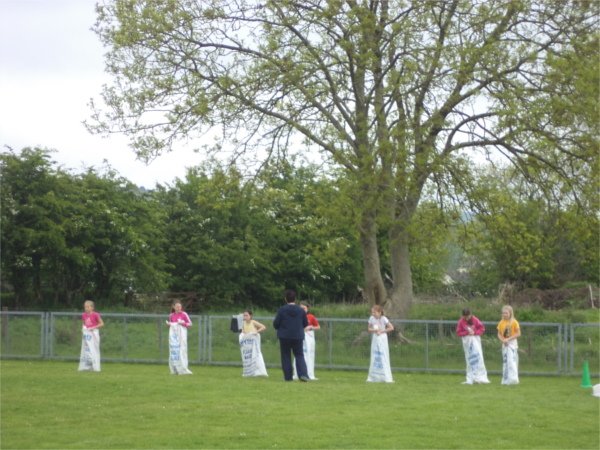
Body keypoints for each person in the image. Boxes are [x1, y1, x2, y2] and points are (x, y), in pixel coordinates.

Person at [273, 289, 310, 382]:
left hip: (284, 336)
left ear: (286, 299)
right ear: (295, 299)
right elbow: (305, 324)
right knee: (299, 355)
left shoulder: (282, 310)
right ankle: (303, 374)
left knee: (286, 356)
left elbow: (276, 324)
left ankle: (288, 377)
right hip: (298, 336)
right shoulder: (301, 310)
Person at [456, 308, 490, 384]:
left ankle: (480, 377)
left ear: (470, 314)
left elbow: (482, 328)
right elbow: (459, 332)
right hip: (467, 343)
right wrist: (466, 333)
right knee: (470, 359)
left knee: (478, 358)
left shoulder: (475, 320)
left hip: (475, 341)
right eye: (465, 317)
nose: (467, 318)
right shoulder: (461, 322)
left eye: (468, 316)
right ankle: (471, 377)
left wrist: (474, 332)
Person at [367, 304, 394, 383]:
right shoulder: (371, 318)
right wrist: (374, 330)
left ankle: (385, 376)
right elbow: (369, 328)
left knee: (383, 355)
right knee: (375, 355)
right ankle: (374, 376)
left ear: (379, 312)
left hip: (382, 338)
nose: (373, 314)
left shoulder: (384, 319)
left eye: (374, 312)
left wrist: (382, 331)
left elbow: (391, 327)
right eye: (372, 312)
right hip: (375, 337)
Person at [293, 302, 320, 380]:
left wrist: (311, 327)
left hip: (309, 339)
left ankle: (309, 373)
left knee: (309, 356)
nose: (302, 310)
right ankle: (297, 373)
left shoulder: (311, 317)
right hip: (299, 337)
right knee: (299, 355)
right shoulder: (296, 316)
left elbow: (318, 326)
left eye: (304, 308)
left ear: (307, 308)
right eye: (301, 308)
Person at [166, 301, 193, 375]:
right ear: (174, 307)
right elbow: (170, 325)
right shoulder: (171, 315)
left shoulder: (184, 314)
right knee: (174, 351)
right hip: (174, 337)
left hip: (182, 336)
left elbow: (190, 324)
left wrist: (183, 323)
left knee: (182, 351)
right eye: (177, 307)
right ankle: (174, 369)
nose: (178, 308)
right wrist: (169, 325)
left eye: (179, 307)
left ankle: (183, 368)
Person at [239, 310, 268, 377]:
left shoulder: (253, 322)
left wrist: (256, 332)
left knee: (256, 356)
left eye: (246, 315)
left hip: (254, 343)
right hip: (247, 344)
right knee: (248, 357)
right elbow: (243, 331)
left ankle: (260, 371)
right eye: (244, 315)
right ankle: (249, 371)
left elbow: (263, 327)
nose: (245, 317)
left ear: (250, 316)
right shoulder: (243, 323)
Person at [497, 305, 521, 385]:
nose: (504, 315)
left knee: (512, 361)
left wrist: (509, 339)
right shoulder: (501, 322)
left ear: (510, 313)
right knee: (505, 361)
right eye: (503, 313)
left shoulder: (514, 322)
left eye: (506, 313)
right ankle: (506, 379)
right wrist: (503, 340)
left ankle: (513, 379)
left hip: (512, 344)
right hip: (505, 344)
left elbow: (518, 333)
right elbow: (499, 334)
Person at [78, 300, 104, 372]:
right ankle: (87, 366)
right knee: (86, 350)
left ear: (92, 307)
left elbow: (102, 324)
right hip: (87, 334)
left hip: (94, 333)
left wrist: (93, 327)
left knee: (94, 350)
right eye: (85, 307)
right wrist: (83, 329)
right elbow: (84, 324)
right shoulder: (84, 315)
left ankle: (95, 366)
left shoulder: (96, 314)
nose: (86, 308)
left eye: (88, 307)